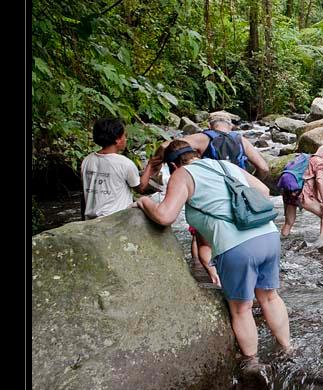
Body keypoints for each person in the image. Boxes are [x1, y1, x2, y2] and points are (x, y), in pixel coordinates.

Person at [135, 140, 291, 368]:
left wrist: (145, 202)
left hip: (237, 246)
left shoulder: (183, 174)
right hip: (267, 236)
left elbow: (165, 216)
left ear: (172, 165)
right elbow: (264, 191)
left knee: (241, 308)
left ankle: (253, 365)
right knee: (270, 297)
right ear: (195, 154)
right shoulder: (224, 165)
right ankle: (288, 349)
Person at [143, 111, 271, 286]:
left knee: (202, 240)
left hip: (204, 197)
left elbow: (168, 145)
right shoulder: (240, 140)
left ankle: (205, 273)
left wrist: (156, 164)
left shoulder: (204, 138)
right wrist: (247, 188)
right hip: (240, 202)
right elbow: (264, 168)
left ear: (210, 125)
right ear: (231, 125)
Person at [81, 117, 156, 220]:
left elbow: (86, 193)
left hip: (91, 220)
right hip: (116, 219)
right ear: (118, 140)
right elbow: (141, 188)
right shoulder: (125, 163)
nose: (126, 139)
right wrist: (150, 166)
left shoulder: (87, 160)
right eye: (124, 135)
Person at [279, 145, 323, 251]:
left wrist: (319, 199)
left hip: (289, 192)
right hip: (302, 194)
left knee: (289, 223)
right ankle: (322, 242)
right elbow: (319, 180)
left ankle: (281, 244)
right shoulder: (319, 161)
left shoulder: (304, 158)